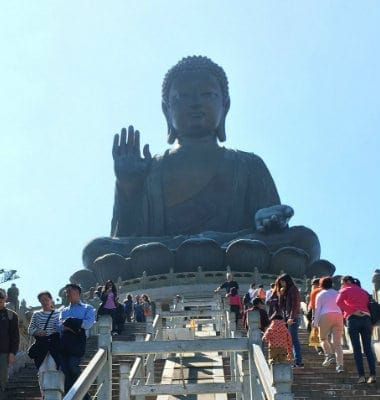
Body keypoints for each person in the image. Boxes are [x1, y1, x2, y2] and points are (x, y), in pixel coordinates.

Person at [82, 56, 320, 276]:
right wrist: (128, 187)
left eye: (207, 95)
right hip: (166, 252)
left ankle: (209, 247)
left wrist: (269, 220)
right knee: (96, 250)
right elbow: (125, 238)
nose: (195, 104)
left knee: (304, 240)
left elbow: (271, 227)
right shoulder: (150, 169)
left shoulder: (248, 164)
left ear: (224, 106)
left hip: (234, 247)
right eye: (182, 97)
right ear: (167, 109)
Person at [336, 275, 376, 384]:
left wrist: (352, 310)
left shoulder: (344, 290)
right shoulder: (363, 291)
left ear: (347, 281)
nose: (341, 285)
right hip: (367, 319)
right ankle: (372, 375)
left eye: (342, 283)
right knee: (368, 348)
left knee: (357, 349)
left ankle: (361, 376)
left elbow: (338, 302)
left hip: (353, 319)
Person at [58, 284, 95, 398]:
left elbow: (88, 323)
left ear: (78, 292)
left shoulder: (87, 308)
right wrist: (73, 325)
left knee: (73, 367)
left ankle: (84, 395)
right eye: (66, 292)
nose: (68, 294)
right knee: (66, 372)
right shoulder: (63, 310)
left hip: (78, 341)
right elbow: (59, 326)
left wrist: (72, 322)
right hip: (64, 342)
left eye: (70, 291)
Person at [28, 291, 60, 395]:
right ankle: (44, 394)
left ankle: (54, 392)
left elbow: (61, 329)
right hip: (41, 345)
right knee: (41, 369)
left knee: (52, 366)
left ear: (51, 300)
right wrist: (37, 332)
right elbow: (30, 329)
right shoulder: (36, 314)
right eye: (42, 300)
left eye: (47, 299)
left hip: (54, 344)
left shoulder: (59, 314)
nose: (45, 302)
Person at [313, 277, 344, 373]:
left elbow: (318, 309)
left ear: (321, 284)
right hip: (338, 315)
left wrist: (315, 322)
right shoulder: (337, 293)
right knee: (337, 343)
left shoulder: (320, 294)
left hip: (325, 315)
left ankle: (328, 355)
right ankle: (340, 366)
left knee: (322, 338)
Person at [277, 273, 303, 368]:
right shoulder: (286, 291)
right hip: (288, 318)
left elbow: (295, 305)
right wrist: (281, 294)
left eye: (283, 282)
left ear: (287, 281)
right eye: (281, 283)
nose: (282, 284)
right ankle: (293, 360)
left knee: (293, 339)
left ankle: (298, 361)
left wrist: (291, 317)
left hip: (293, 317)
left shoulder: (293, 289)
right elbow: (281, 306)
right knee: (290, 339)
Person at [0, 288, 19, 392]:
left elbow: (15, 336)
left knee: (2, 379)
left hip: (4, 352)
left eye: (2, 296)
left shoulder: (11, 315)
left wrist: (12, 352)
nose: (0, 299)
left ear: (6, 298)